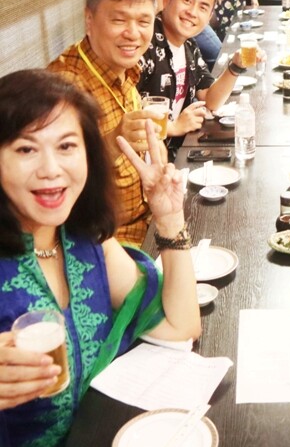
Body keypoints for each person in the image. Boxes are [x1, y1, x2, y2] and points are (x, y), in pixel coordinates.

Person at [0, 69, 200, 447]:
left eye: (66, 146)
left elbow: (180, 326)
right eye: (26, 149)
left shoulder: (86, 241)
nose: (51, 170)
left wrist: (170, 218)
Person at [47, 0, 160, 247]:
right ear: (89, 19)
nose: (133, 33)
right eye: (119, 20)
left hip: (149, 221)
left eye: (144, 21)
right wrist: (113, 140)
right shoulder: (64, 87)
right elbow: (56, 176)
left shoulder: (126, 68)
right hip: (104, 243)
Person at [138, 0, 262, 157]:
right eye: (187, 1)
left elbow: (210, 100)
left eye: (203, 8)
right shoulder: (144, 43)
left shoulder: (189, 45)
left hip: (173, 155)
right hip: (144, 160)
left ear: (209, 16)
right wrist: (173, 126)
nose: (192, 12)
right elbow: (127, 112)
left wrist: (236, 66)